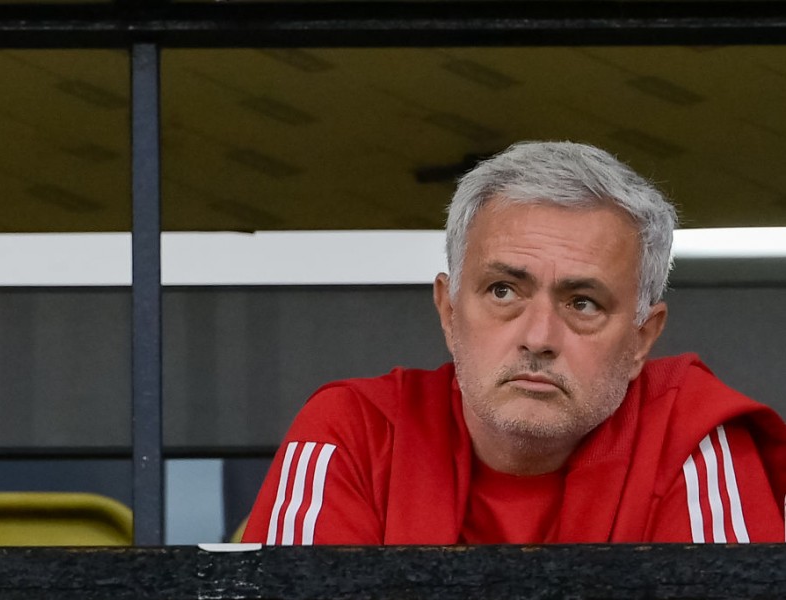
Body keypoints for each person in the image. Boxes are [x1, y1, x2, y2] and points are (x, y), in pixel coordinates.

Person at [242, 141, 786, 545]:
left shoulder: (690, 432)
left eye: (583, 303)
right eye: (504, 291)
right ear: (449, 311)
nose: (539, 337)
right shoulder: (353, 431)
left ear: (642, 339)